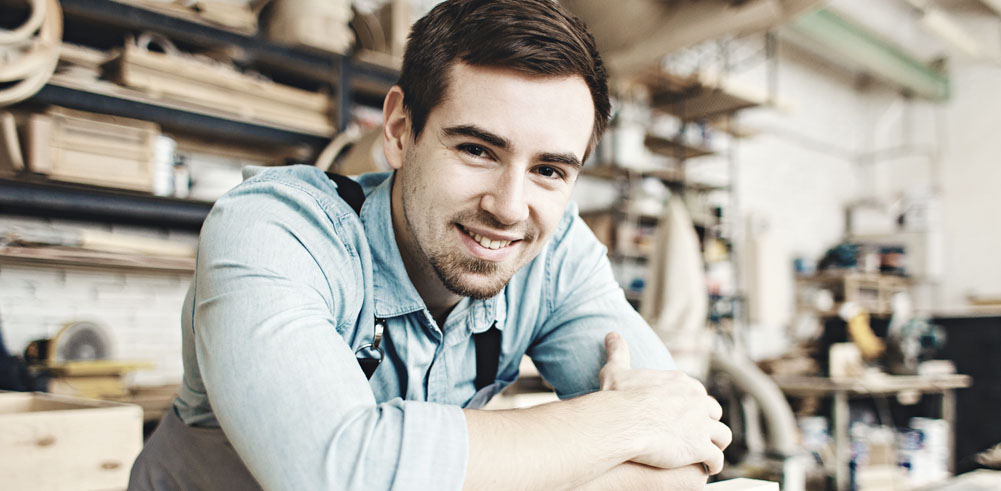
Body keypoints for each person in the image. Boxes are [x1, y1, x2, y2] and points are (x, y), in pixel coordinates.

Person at [130, 0, 732, 489]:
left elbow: (681, 460)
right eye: (477, 150)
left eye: (550, 170)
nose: (509, 207)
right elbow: (339, 473)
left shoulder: (556, 256)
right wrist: (618, 421)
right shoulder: (274, 228)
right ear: (398, 131)